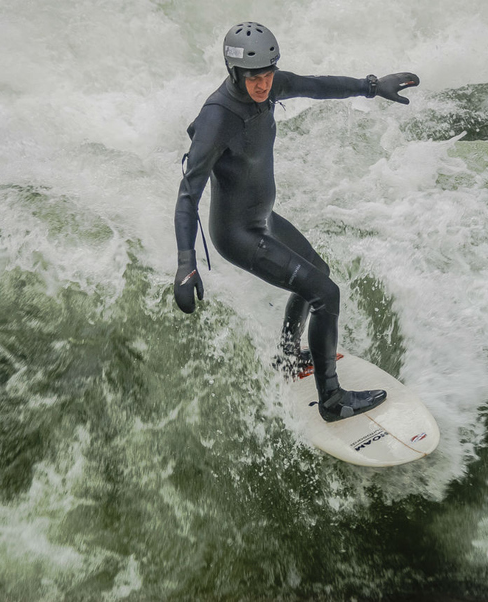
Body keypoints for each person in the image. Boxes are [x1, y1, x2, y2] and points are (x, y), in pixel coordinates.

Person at [173, 21, 418, 422]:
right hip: (237, 233)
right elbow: (188, 194)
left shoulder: (269, 86)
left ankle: (288, 356)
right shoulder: (218, 118)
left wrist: (372, 86)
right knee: (327, 293)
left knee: (317, 274)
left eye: (269, 74)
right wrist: (186, 262)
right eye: (254, 78)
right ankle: (333, 402)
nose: (264, 85)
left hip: (262, 218)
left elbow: (317, 86)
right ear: (235, 73)